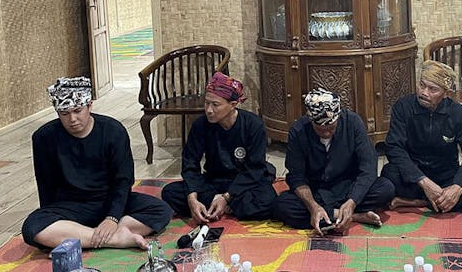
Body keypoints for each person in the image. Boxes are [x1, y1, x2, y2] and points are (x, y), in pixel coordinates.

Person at [22, 77, 173, 250]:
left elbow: (123, 181)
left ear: (90, 105)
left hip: (108, 201)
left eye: (78, 110)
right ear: (58, 113)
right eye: (65, 113)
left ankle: (78, 238)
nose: (72, 119)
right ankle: (116, 239)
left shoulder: (113, 131)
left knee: (161, 210)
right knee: (32, 227)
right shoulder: (44, 137)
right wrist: (50, 221)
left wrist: (112, 218)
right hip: (70, 207)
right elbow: (45, 185)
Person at [271, 88, 394, 235]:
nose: (326, 133)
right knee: (281, 206)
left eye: (331, 128)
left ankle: (336, 214)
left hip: (347, 187)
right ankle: (354, 217)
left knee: (386, 188)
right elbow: (297, 177)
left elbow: (368, 167)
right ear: (311, 122)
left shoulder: (353, 123)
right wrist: (313, 207)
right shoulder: (298, 131)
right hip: (316, 191)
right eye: (320, 130)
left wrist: (352, 202)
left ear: (338, 117)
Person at [161, 72, 277, 223]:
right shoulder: (200, 125)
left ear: (233, 105)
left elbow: (254, 169)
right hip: (214, 181)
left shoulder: (253, 125)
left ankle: (221, 205)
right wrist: (192, 199)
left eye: (215, 105)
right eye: (206, 103)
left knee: (267, 202)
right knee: (170, 193)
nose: (209, 110)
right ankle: (223, 206)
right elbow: (190, 164)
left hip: (244, 182)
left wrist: (226, 197)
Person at [381, 60, 462, 213]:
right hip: (415, 177)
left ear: (446, 94)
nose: (424, 92)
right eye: (422, 85)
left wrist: (457, 189)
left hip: (446, 175)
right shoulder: (403, 107)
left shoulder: (459, 114)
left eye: (432, 89)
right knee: (388, 176)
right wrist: (424, 182)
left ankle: (418, 203)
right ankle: (439, 202)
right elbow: (394, 148)